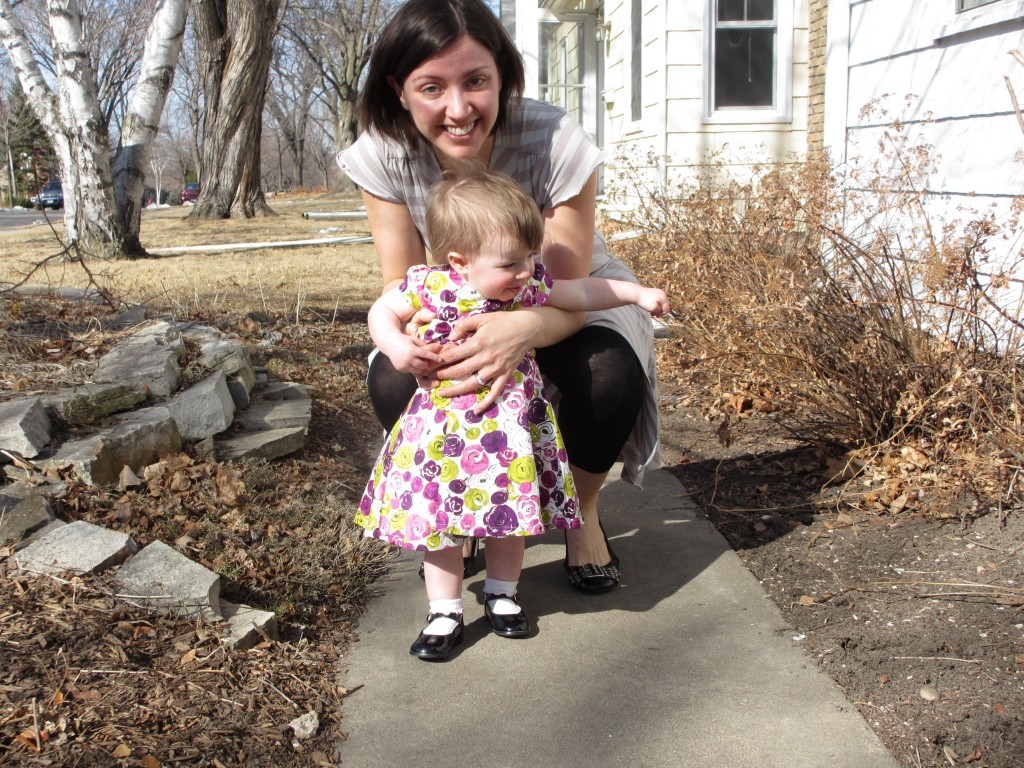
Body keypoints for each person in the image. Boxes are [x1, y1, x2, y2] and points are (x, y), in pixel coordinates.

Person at [338, 0, 662, 600]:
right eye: (431, 87)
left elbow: (564, 287)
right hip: (453, 294)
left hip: (554, 287)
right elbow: (399, 279)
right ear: (399, 89)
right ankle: (459, 501)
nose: (459, 110)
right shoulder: (382, 152)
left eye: (477, 81)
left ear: (502, 76)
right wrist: (422, 339)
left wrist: (519, 332)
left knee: (606, 372)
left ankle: (581, 510)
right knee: (394, 378)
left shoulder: (555, 137)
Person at [357, 166, 669, 659]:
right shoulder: (428, 285)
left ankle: (503, 594)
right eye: (511, 261)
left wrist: (636, 294)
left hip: (509, 435)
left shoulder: (524, 286)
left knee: (510, 518)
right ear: (459, 261)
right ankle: (444, 609)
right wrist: (395, 347)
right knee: (441, 527)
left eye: (530, 255)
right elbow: (382, 311)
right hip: (441, 434)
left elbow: (584, 291)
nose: (526, 269)